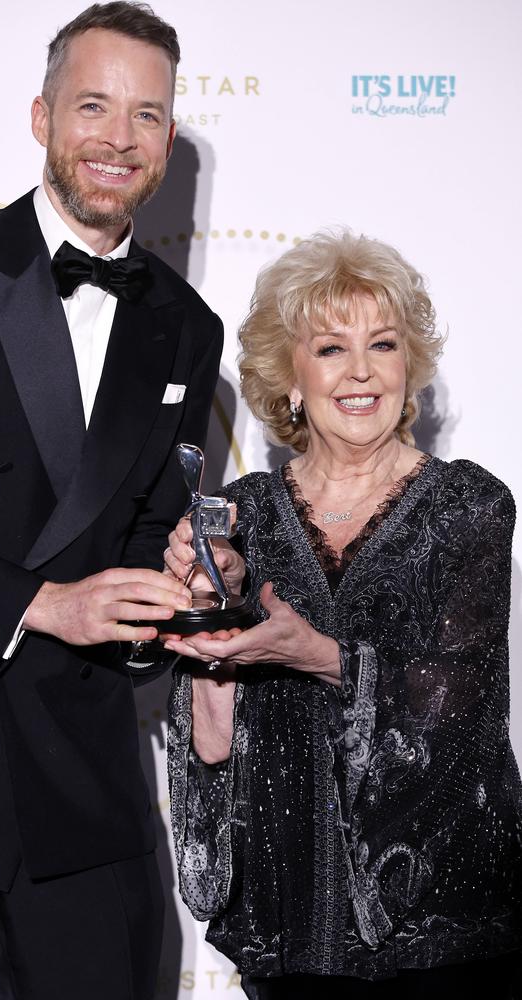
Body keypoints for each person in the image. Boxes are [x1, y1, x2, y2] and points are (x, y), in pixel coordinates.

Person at [0, 3, 222, 998]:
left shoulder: (187, 329)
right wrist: (34, 602)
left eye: (146, 115)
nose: (119, 139)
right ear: (40, 117)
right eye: (94, 106)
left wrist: (184, 581)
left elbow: (150, 522)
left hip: (79, 768)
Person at [163, 230, 522, 998]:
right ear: (290, 379)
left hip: (441, 925)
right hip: (288, 927)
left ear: (407, 369)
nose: (360, 371)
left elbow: (450, 702)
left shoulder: (469, 505)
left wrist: (317, 653)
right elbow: (214, 741)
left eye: (382, 344)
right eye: (330, 348)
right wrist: (208, 617)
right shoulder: (242, 516)